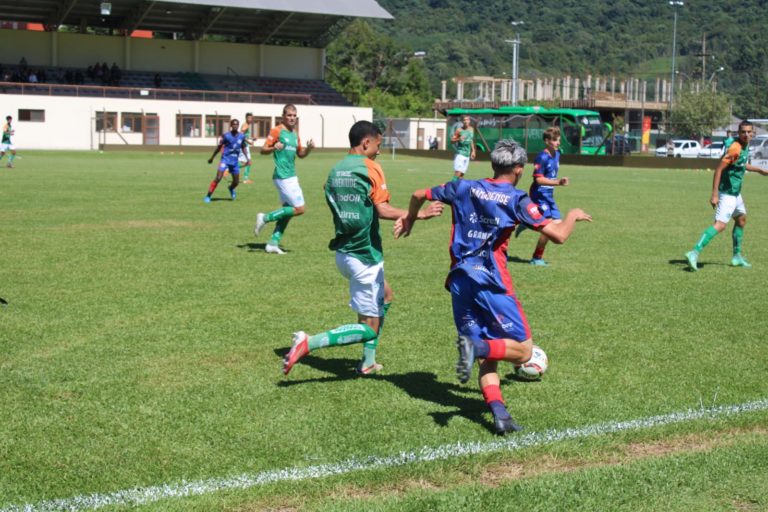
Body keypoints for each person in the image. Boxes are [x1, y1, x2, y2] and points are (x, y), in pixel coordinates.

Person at [396, 139, 591, 435]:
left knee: (493, 356)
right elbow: (559, 235)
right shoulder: (517, 199)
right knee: (523, 351)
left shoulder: (462, 187)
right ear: (518, 169)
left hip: (460, 281)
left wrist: (410, 219)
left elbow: (417, 193)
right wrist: (574, 214)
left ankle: (500, 415)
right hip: (491, 282)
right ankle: (477, 347)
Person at [282, 120, 443, 376]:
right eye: (378, 145)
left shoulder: (336, 169)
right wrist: (418, 215)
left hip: (344, 252)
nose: (379, 150)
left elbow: (331, 192)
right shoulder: (371, 168)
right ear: (366, 142)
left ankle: (368, 361)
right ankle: (308, 342)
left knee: (386, 296)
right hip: (364, 254)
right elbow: (383, 209)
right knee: (368, 327)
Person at [685, 120, 768, 271]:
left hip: (736, 194)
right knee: (721, 225)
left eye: (749, 132)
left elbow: (741, 164)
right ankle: (694, 252)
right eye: (743, 132)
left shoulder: (744, 145)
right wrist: (714, 194)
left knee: (741, 220)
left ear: (753, 133)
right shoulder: (735, 148)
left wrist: (759, 170)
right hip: (727, 194)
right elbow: (719, 170)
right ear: (739, 133)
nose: (746, 134)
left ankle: (736, 256)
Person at [253, 104, 315, 255]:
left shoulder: (295, 134)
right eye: (289, 115)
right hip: (283, 175)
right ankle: (265, 218)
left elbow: (300, 154)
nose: (292, 118)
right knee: (300, 209)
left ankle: (273, 243)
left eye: (294, 115)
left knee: (288, 211)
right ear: (283, 116)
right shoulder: (277, 131)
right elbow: (263, 150)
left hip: (291, 175)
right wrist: (274, 147)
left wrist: (308, 149)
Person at [517, 126, 569, 266]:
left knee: (557, 227)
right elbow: (538, 180)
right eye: (555, 140)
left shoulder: (557, 154)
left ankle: (528, 222)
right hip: (539, 194)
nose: (558, 143)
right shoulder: (542, 157)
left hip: (549, 196)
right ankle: (536, 257)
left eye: (558, 140)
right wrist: (558, 182)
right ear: (547, 141)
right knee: (549, 227)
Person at [203, 119, 249, 203]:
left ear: (238, 126)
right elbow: (219, 147)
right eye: (233, 124)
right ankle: (208, 196)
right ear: (231, 125)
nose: (235, 126)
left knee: (236, 182)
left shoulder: (241, 136)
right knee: (218, 178)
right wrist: (212, 158)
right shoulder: (226, 136)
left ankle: (231, 188)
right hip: (225, 160)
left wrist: (248, 159)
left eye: (237, 124)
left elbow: (243, 147)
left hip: (234, 162)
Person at [450, 115, 476, 180]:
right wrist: (458, 139)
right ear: (462, 121)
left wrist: (473, 151)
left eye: (467, 120)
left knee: (461, 175)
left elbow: (471, 140)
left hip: (467, 155)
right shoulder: (459, 130)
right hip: (460, 154)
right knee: (458, 173)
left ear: (469, 121)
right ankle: (450, 187)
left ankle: (459, 189)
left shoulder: (471, 129)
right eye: (464, 120)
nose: (466, 121)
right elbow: (452, 141)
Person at [240, 112, 255, 184]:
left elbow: (245, 136)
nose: (250, 119)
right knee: (248, 162)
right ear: (246, 118)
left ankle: (227, 170)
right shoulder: (245, 125)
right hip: (244, 146)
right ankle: (246, 179)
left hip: (244, 145)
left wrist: (252, 138)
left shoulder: (246, 125)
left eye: (251, 118)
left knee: (247, 162)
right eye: (249, 118)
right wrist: (249, 142)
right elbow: (241, 135)